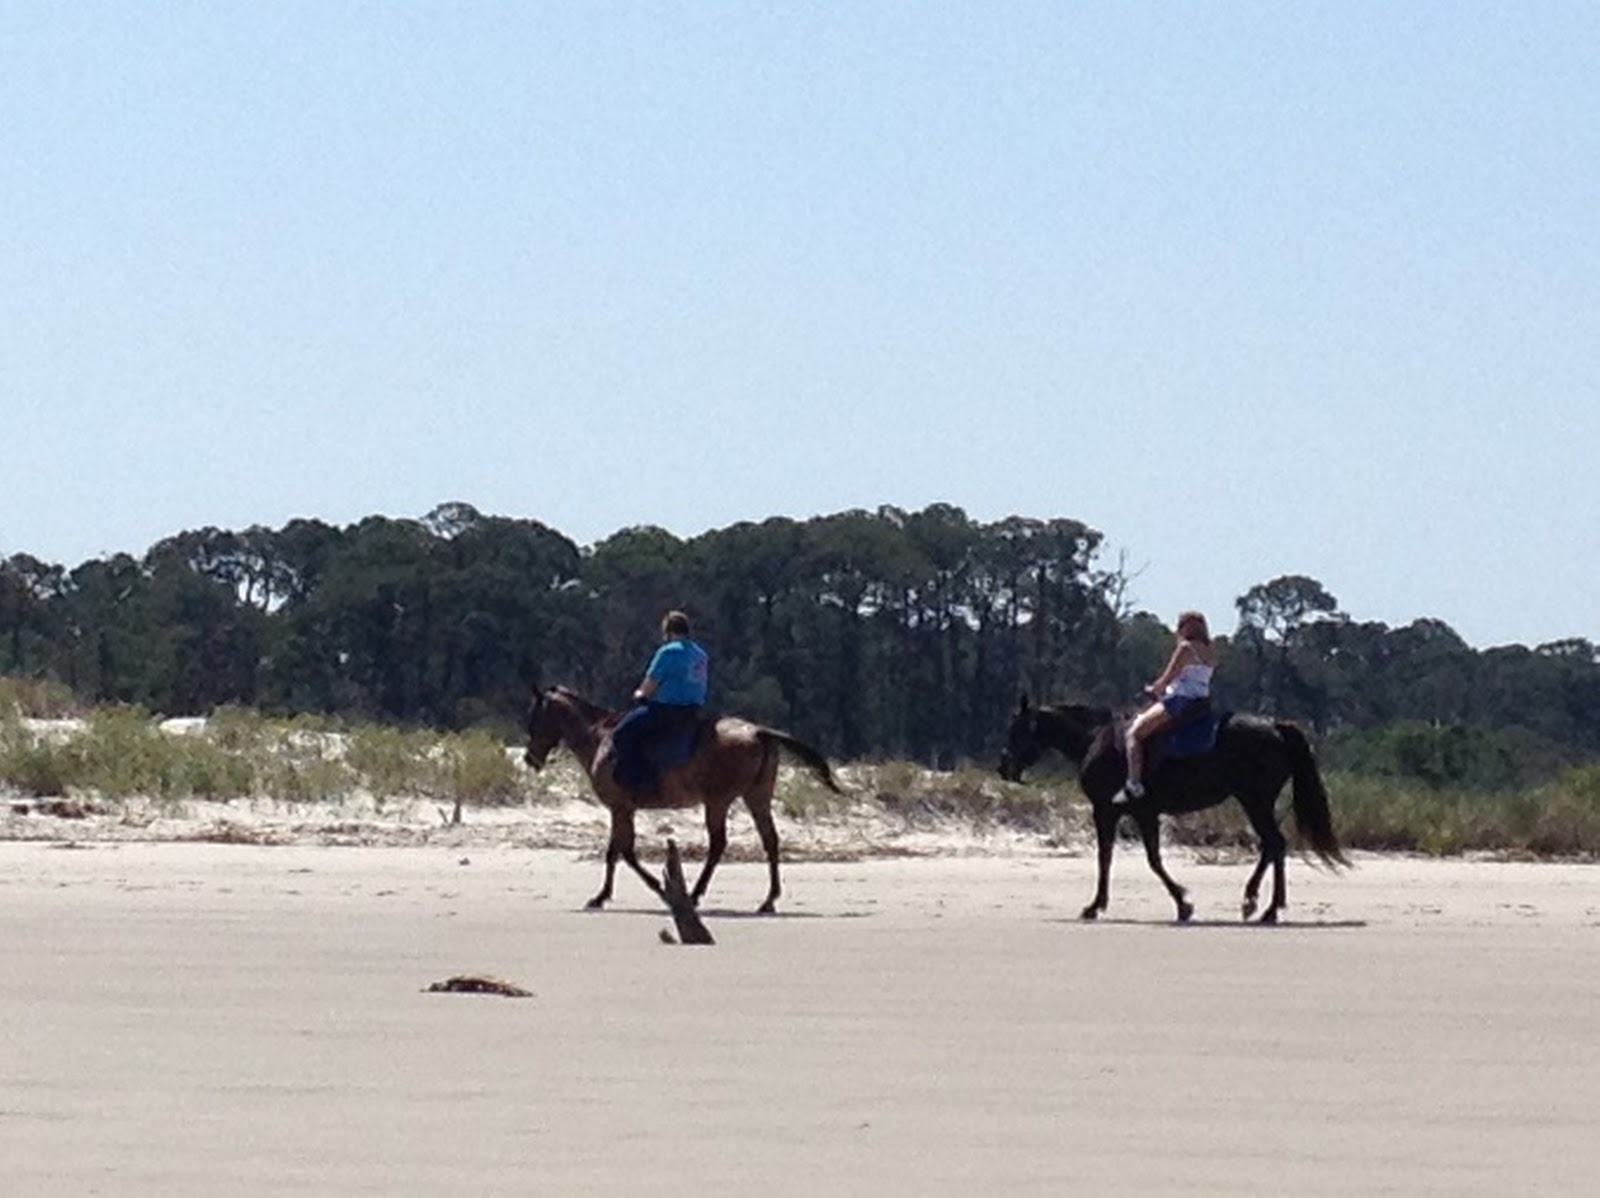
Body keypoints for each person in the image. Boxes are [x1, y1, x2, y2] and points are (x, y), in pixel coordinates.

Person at [1115, 610, 1216, 803]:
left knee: (1134, 733)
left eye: (1180, 625)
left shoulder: (1186, 648)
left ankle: (1133, 784)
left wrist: (1153, 688)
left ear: (1186, 627)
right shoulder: (1209, 651)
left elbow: (1168, 678)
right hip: (1200, 702)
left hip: (1179, 700)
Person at [610, 609, 709, 793]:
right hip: (694, 711)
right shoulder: (701, 654)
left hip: (667, 711)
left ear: (668, 631)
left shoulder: (667, 652)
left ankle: (638, 782)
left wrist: (639, 694)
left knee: (621, 734)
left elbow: (649, 686)